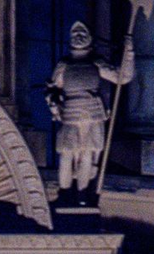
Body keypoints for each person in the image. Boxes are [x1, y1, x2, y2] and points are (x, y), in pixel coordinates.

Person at [46, 21, 134, 200]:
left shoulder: (96, 62)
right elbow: (52, 88)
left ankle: (82, 194)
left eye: (82, 34)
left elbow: (122, 77)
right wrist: (53, 102)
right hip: (70, 113)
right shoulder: (64, 64)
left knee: (88, 154)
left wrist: (129, 53)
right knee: (66, 154)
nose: (78, 37)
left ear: (89, 38)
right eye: (75, 34)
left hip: (93, 114)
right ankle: (65, 193)